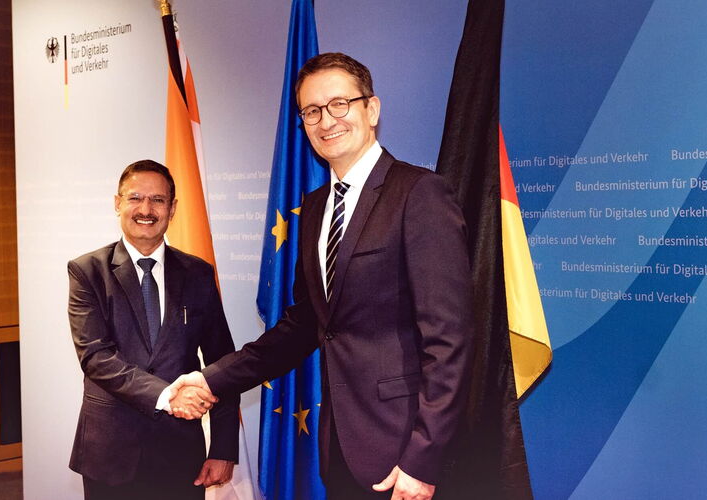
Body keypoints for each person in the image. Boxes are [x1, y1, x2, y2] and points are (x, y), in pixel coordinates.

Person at [172, 53, 474, 500]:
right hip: (342, 451)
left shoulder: (419, 194)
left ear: (372, 109)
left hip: (409, 458)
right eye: (311, 111)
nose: (326, 120)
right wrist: (211, 379)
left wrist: (422, 460)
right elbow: (304, 325)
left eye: (339, 104)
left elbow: (450, 341)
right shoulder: (314, 209)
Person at [67, 160, 239, 500]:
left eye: (158, 200)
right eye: (135, 198)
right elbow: (96, 357)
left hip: (180, 454)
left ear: (172, 209)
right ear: (117, 203)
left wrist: (223, 447)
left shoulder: (198, 274)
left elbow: (222, 363)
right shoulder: (87, 271)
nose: (146, 209)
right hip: (110, 454)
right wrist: (168, 395)